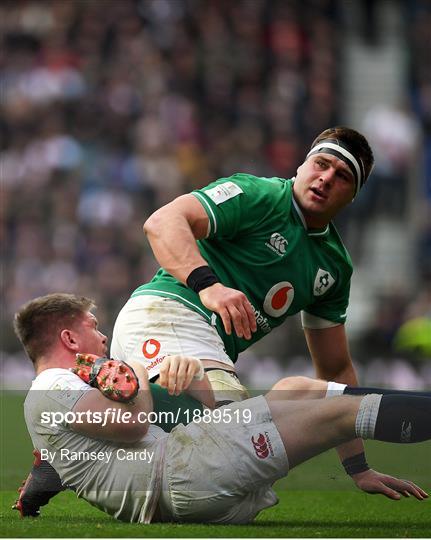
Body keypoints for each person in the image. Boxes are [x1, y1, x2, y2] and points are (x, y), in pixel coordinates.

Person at [110, 125, 415, 494]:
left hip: (197, 351)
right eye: (321, 164)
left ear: (353, 195)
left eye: (343, 176)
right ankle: (75, 426)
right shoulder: (260, 195)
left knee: (239, 486)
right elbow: (162, 222)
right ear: (303, 166)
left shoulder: (333, 267)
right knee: (235, 446)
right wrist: (209, 286)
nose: (326, 178)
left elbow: (334, 369)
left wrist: (358, 468)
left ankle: (111, 417)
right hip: (170, 313)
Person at [14, 294, 431, 524]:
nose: (105, 339)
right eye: (94, 328)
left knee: (297, 389)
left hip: (186, 476)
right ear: (69, 339)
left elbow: (206, 416)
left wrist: (190, 373)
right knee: (338, 411)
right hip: (182, 477)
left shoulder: (68, 390)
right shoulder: (52, 385)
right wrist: (139, 369)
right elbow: (133, 424)